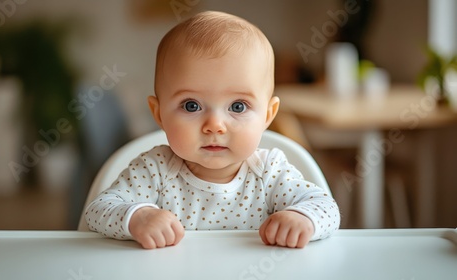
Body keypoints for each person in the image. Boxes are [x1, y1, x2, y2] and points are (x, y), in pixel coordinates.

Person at [85, 11, 340, 249]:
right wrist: (137, 217)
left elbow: (326, 208)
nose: (215, 125)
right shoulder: (155, 170)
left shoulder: (270, 173)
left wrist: (302, 218)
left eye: (238, 106)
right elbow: (97, 210)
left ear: (267, 115)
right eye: (191, 105)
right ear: (159, 114)